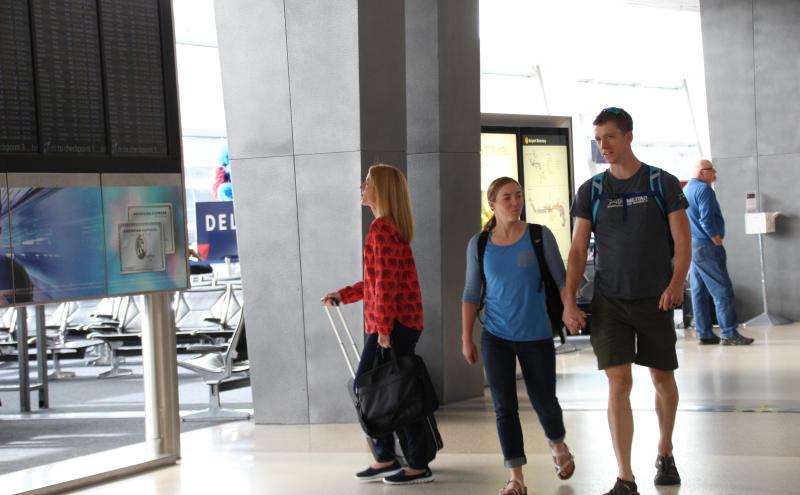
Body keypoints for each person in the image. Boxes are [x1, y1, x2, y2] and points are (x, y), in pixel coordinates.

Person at [562, 107, 691, 495]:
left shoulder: (660, 183)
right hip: (609, 302)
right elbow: (577, 248)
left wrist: (676, 283)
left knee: (661, 378)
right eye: (599, 139)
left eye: (611, 137)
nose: (604, 146)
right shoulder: (593, 191)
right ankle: (625, 476)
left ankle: (664, 451)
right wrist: (569, 300)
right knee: (618, 382)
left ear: (629, 136)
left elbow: (683, 240)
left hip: (656, 298)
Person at [462, 177, 574, 495]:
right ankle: (516, 477)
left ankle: (557, 444)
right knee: (504, 407)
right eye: (507, 198)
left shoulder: (539, 236)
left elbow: (561, 280)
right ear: (493, 204)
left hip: (536, 334)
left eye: (519, 196)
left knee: (544, 401)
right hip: (495, 335)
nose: (515, 203)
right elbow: (471, 293)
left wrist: (569, 309)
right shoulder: (480, 244)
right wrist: (466, 337)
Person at [322, 164, 432, 485]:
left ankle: (413, 463)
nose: (362, 186)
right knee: (386, 390)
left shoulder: (382, 230)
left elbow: (384, 286)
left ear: (380, 191)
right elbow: (375, 281)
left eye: (368, 182)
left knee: (387, 392)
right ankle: (389, 456)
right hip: (398, 322)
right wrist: (344, 295)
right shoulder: (389, 228)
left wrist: (383, 328)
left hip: (391, 324)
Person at [684, 159, 754, 346]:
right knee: (722, 291)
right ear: (701, 173)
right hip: (707, 246)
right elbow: (706, 219)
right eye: (711, 171)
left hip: (693, 246)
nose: (715, 174)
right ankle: (729, 333)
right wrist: (715, 238)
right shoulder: (704, 190)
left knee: (698, 292)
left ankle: (704, 333)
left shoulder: (686, 190)